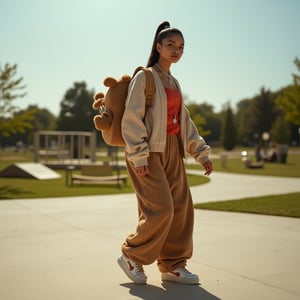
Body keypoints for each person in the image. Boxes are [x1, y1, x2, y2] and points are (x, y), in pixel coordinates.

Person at [117, 21, 213, 285]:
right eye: (171, 45)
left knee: (182, 209)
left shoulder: (174, 81)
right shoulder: (145, 77)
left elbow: (184, 121)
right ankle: (131, 256)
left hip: (173, 149)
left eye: (181, 47)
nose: (176, 50)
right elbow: (131, 118)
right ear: (158, 46)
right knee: (161, 209)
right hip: (148, 150)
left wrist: (201, 152)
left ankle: (172, 265)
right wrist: (139, 155)